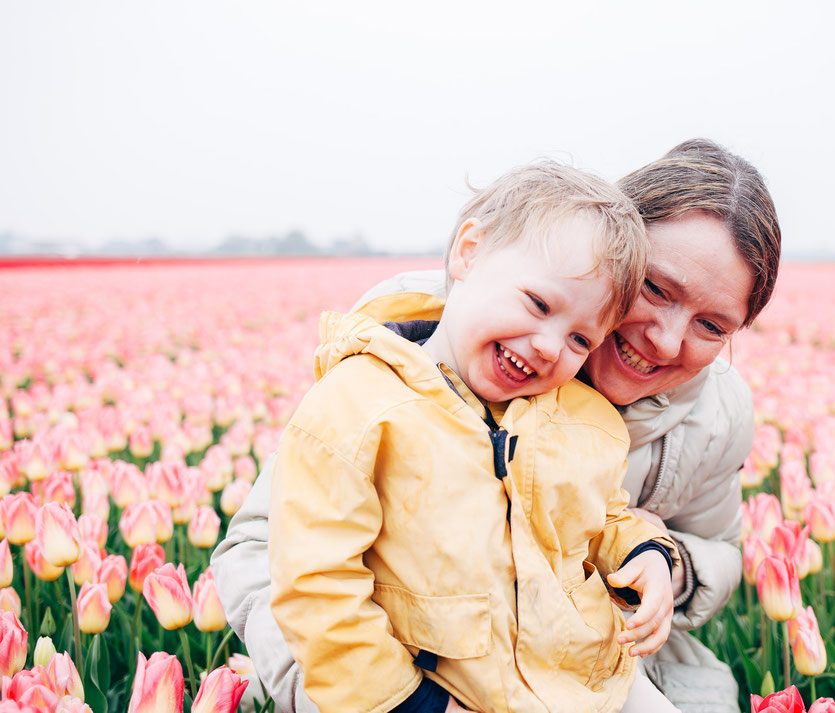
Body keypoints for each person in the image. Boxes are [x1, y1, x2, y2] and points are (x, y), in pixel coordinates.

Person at [213, 138, 782, 713]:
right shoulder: (396, 366)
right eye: (655, 289)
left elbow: (654, 529)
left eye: (712, 326)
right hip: (414, 665)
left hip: (589, 661)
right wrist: (395, 700)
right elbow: (276, 559)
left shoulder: (690, 413)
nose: (664, 339)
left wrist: (660, 561)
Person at [265, 161, 680, 713]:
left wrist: (648, 555)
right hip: (439, 696)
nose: (551, 348)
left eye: (581, 338)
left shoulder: (583, 418)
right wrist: (408, 704)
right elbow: (317, 585)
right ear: (469, 252)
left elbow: (603, 517)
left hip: (586, 686)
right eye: (538, 304)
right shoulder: (358, 408)